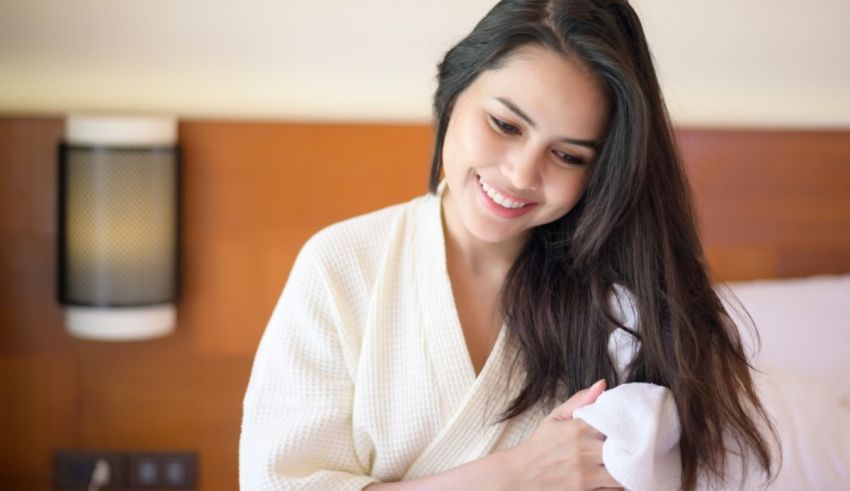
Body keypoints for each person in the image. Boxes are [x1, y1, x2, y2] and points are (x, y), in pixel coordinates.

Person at [239, 0, 776, 489]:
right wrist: (517, 474)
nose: (521, 173)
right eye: (504, 124)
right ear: (453, 92)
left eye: (568, 156)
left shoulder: (622, 310)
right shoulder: (342, 266)